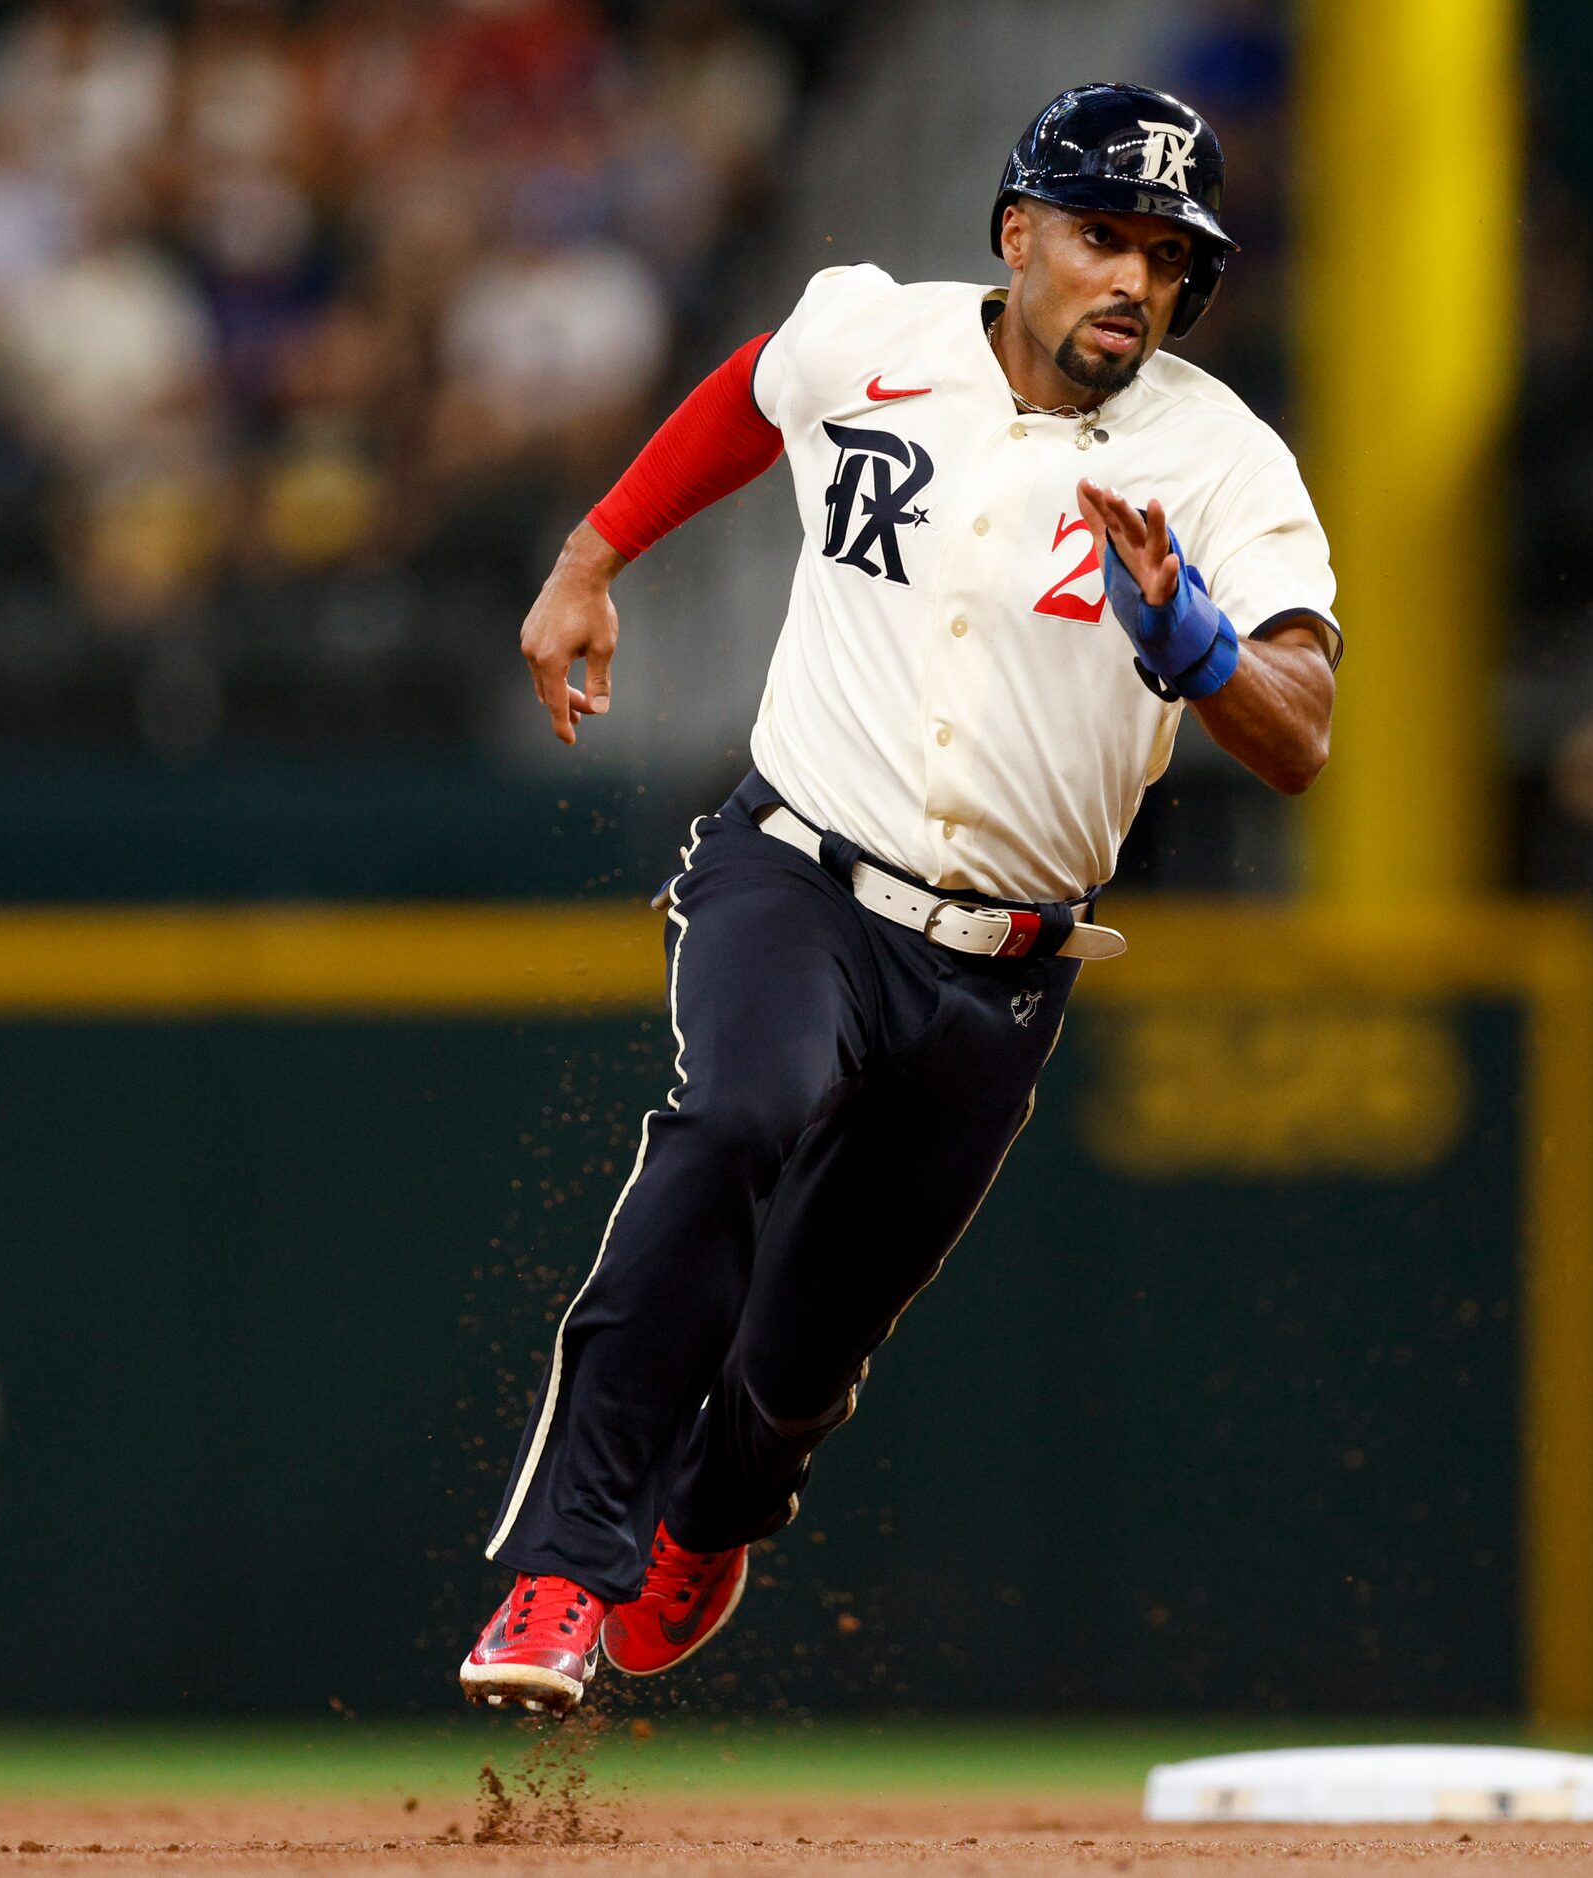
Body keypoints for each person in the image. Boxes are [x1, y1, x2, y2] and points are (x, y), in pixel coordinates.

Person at [459, 81, 1340, 1712]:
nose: (1131, 281)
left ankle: (716, 1513)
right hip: (798, 871)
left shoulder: (1217, 459)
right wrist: (592, 553)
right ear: (1018, 234)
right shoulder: (873, 333)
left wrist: (1200, 646)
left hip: (1000, 971)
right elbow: (751, 394)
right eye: (1099, 237)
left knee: (801, 1352)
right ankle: (558, 1574)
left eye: (1166, 254)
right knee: (734, 1119)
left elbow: (1300, 732)